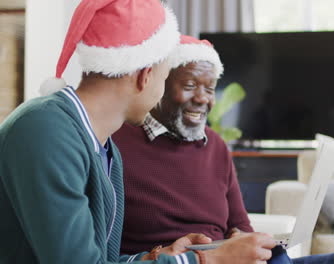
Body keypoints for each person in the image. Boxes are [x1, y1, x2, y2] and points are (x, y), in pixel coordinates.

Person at [0, 1, 277, 264]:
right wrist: (207, 259)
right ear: (145, 75)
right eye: (165, 75)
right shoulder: (46, 132)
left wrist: (157, 256)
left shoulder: (103, 147)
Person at [113, 35, 334, 264]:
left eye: (209, 89)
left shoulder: (216, 146)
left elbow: (240, 225)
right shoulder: (117, 142)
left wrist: (244, 239)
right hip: (184, 261)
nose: (203, 98)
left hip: (233, 260)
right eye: (190, 86)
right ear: (159, 84)